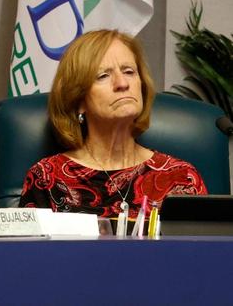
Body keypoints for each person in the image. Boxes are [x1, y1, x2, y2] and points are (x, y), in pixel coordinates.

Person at [19, 29, 206, 219]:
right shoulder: (46, 178)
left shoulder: (181, 178)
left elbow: (204, 248)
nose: (122, 83)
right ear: (78, 100)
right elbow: (30, 249)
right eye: (103, 76)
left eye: (129, 71)